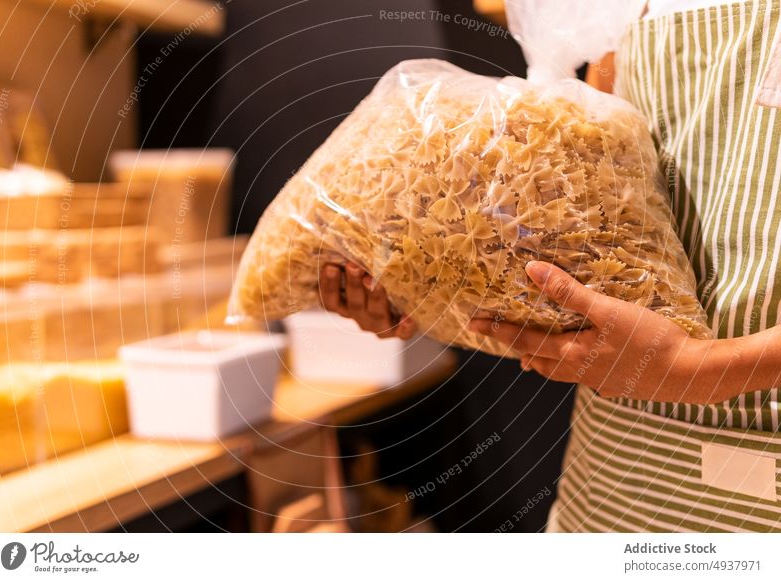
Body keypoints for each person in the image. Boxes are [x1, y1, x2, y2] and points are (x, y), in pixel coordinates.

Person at [320, 0, 781, 532]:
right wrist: (427, 280)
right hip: (613, 477)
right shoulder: (620, 14)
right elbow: (595, 232)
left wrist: (705, 370)